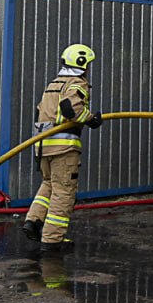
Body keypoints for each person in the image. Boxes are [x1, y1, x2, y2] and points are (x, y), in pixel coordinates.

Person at [22, 43, 102, 252]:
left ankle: (33, 221)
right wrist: (91, 119)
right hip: (64, 148)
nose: (89, 69)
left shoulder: (53, 84)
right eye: (88, 65)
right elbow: (71, 108)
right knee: (64, 191)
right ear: (82, 64)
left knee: (49, 184)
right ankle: (53, 239)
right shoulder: (76, 83)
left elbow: (40, 110)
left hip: (43, 146)